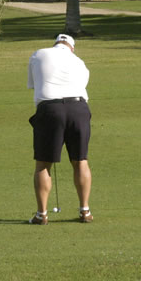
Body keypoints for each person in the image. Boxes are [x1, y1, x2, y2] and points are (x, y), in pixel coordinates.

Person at [27, 34, 93, 225]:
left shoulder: (38, 54)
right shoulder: (80, 62)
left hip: (50, 109)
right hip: (79, 109)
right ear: (72, 48)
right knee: (80, 161)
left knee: (43, 164)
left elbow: (34, 84)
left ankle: (42, 215)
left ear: (55, 43)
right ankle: (85, 211)